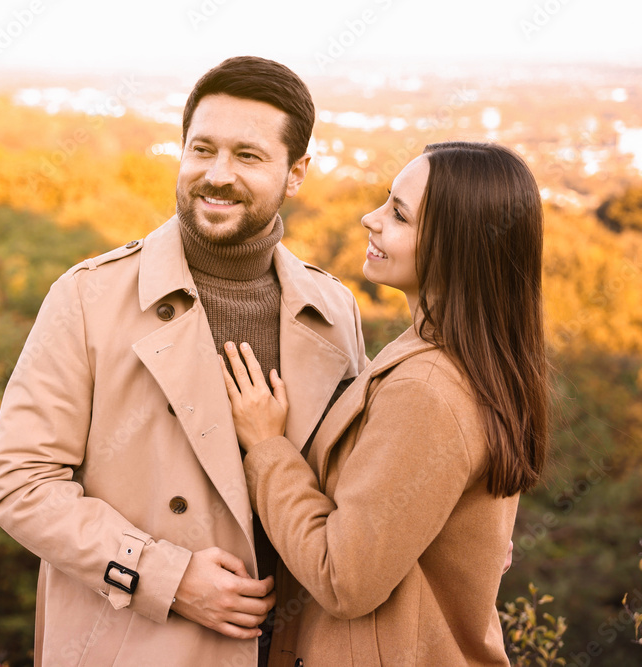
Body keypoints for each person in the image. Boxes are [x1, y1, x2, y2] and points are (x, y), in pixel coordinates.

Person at [0, 56, 368, 666]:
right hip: (139, 646)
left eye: (248, 156)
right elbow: (20, 485)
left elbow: (357, 495)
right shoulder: (89, 296)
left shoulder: (334, 309)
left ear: (296, 173)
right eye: (202, 149)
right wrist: (166, 577)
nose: (217, 175)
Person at [220, 141, 549, 665]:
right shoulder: (463, 358)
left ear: (457, 245)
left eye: (399, 214)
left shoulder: (426, 390)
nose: (369, 219)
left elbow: (343, 579)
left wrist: (266, 447)